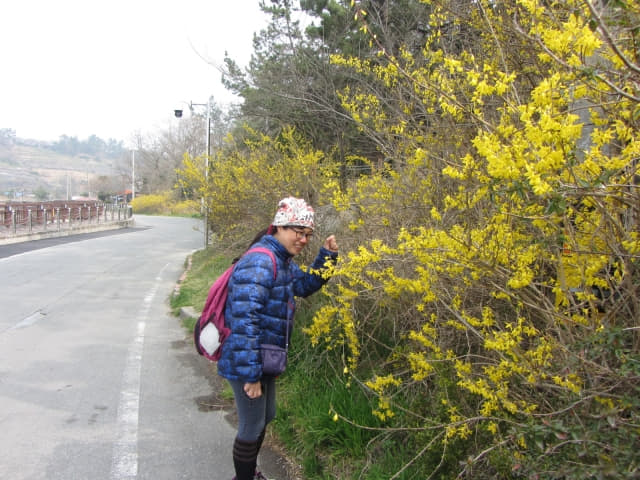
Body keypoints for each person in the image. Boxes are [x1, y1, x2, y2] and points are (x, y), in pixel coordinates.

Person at [217, 197, 339, 480]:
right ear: (280, 227)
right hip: (247, 360)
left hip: (264, 357)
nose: (304, 239)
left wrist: (326, 258)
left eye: (308, 234)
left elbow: (305, 285)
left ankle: (251, 472)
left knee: (265, 417)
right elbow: (244, 321)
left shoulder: (281, 261)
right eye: (299, 231)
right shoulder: (261, 261)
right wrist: (251, 375)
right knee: (251, 425)